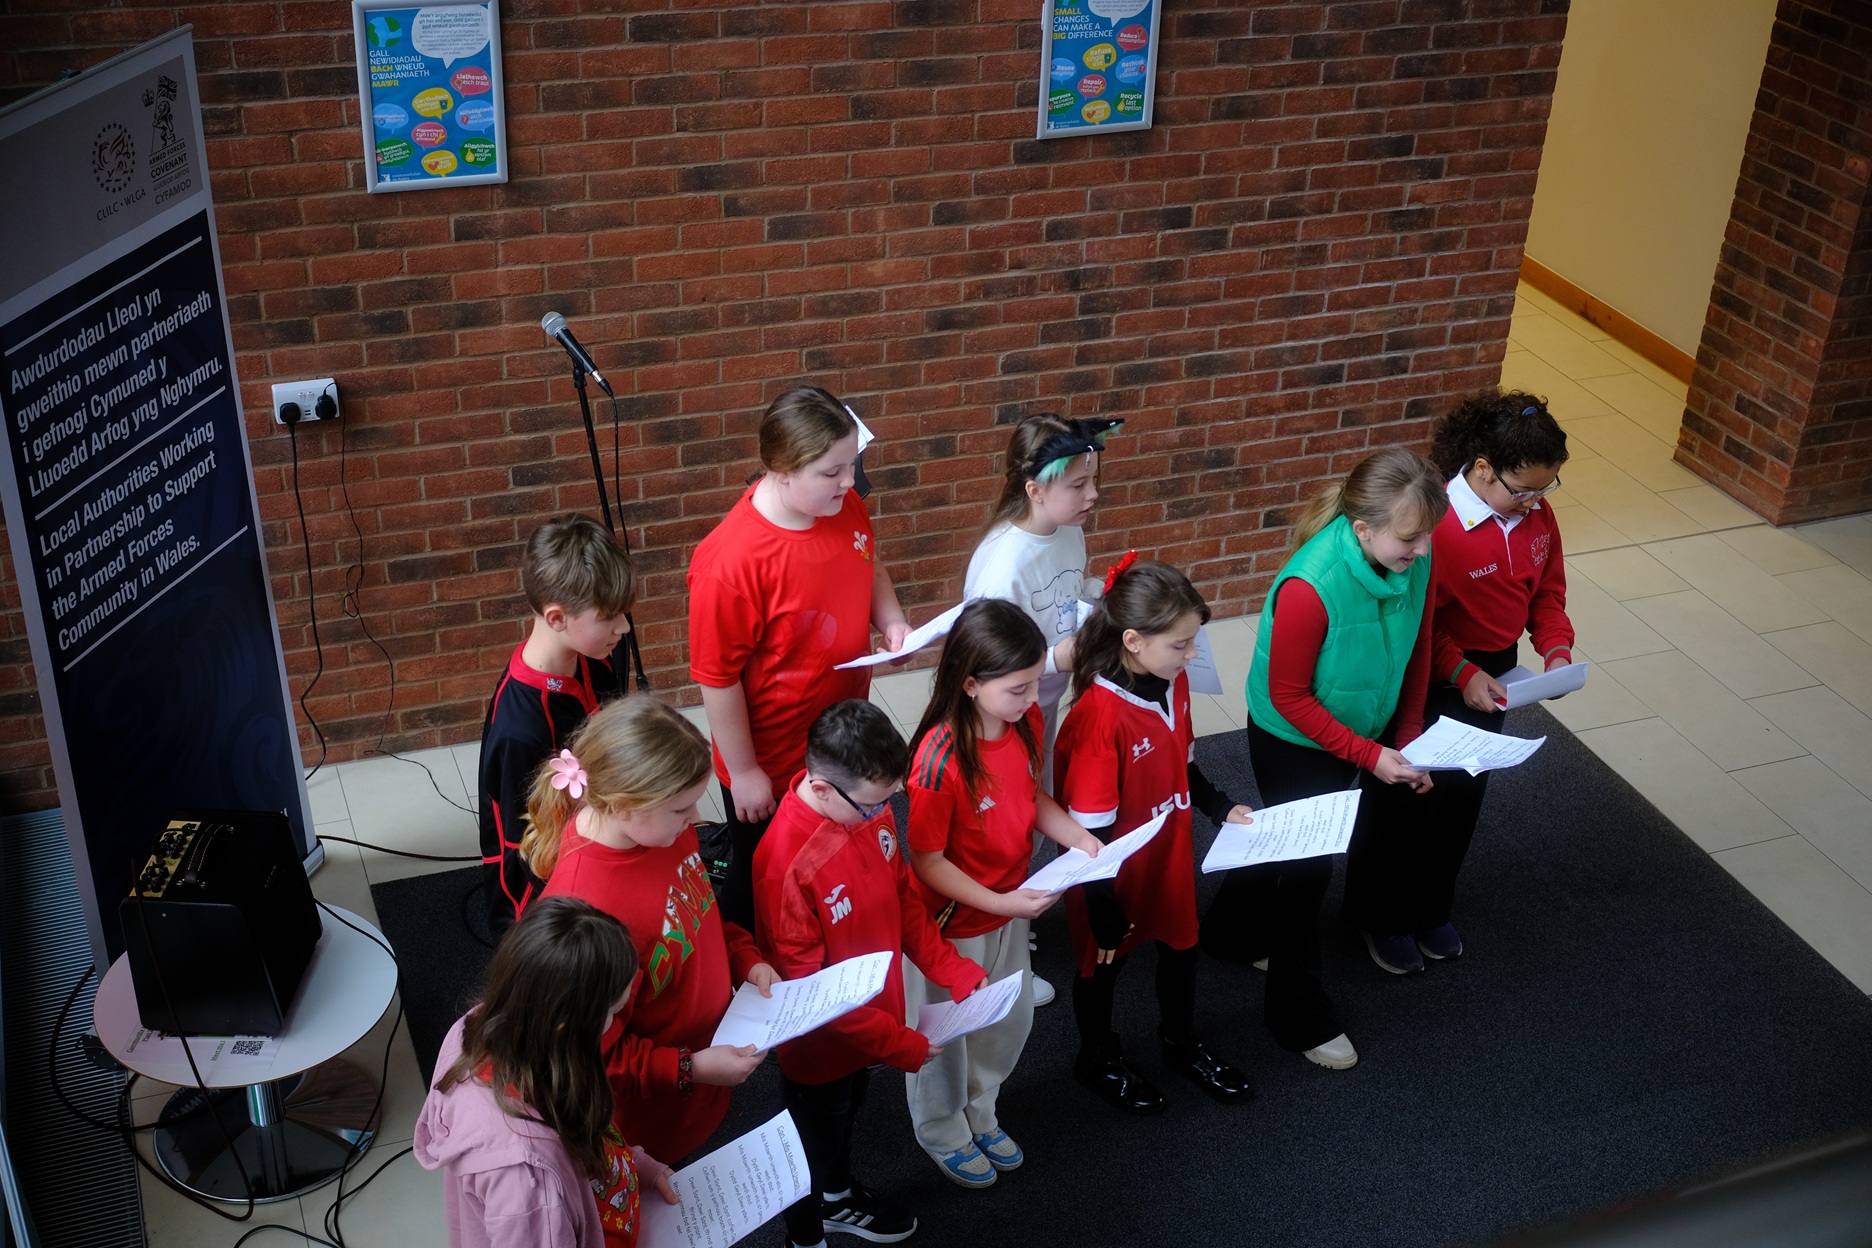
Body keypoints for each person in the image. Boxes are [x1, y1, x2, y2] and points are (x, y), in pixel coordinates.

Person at [1202, 446, 1447, 1069]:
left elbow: (1419, 644)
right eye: (1410, 539)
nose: (1422, 551)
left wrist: (1407, 734)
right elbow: (1288, 697)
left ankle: (1229, 933)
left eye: (1426, 537)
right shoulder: (1310, 587)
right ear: (1362, 529)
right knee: (1307, 869)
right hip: (1293, 736)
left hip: (1369, 723)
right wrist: (1371, 754)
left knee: (1292, 842)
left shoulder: (1416, 552)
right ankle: (1297, 1018)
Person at [754, 699, 986, 1247]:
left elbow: (903, 900)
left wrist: (951, 969)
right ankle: (805, 1236)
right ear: (821, 789)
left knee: (845, 1122)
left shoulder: (866, 809)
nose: (884, 812)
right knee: (810, 1150)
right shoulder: (784, 864)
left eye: (889, 798)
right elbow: (811, 994)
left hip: (873, 1022)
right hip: (821, 1047)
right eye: (874, 803)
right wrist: (898, 1044)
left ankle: (837, 1198)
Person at [689, 386, 912, 933]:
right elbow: (718, 679)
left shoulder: (842, 504)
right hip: (771, 757)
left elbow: (870, 565)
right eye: (832, 471)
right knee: (765, 878)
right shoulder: (729, 564)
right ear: (782, 470)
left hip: (837, 736)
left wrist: (892, 622)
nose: (849, 482)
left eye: (851, 465)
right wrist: (745, 772)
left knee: (830, 859)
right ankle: (743, 966)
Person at [519, 696, 777, 1165]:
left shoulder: (663, 830)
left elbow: (697, 910)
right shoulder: (587, 912)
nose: (696, 820)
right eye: (681, 809)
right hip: (652, 1123)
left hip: (701, 1079)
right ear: (622, 806)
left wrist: (745, 957)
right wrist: (691, 1067)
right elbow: (592, 1054)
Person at [901, 600, 1105, 1187]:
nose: (1032, 698)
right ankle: (942, 1128)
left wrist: (1077, 836)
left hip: (1010, 906)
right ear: (970, 684)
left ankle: (981, 1110)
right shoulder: (938, 762)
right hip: (951, 925)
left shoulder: (1023, 721)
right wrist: (1001, 904)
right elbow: (926, 862)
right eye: (1019, 688)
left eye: (1035, 683)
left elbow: (1031, 797)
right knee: (944, 1038)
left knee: (1005, 1022)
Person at [1055, 555, 1255, 1114]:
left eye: (1194, 642)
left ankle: (1180, 1042)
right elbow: (1089, 834)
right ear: (1134, 641)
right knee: (1103, 966)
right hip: (1109, 875)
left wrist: (1219, 806)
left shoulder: (1175, 680)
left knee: (1181, 949)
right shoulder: (1101, 718)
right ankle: (1097, 1056)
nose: (1192, 655)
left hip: (1168, 855)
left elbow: (1182, 763)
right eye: (1181, 645)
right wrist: (1102, 907)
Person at [1400, 390, 1574, 964]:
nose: (1534, 502)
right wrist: (1461, 670)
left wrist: (1555, 650)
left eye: (1545, 489)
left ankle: (1433, 907)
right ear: (1481, 469)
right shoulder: (1436, 526)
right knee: (1413, 798)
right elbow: (1418, 622)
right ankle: (1385, 917)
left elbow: (1546, 593)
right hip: (1431, 675)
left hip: (1495, 674)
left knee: (1464, 796)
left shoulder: (1537, 517)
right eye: (1522, 489)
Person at [414, 895, 678, 1248]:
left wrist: (635, 1165)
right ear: (567, 1024)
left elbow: (586, 1128)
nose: (614, 1021)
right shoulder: (527, 1185)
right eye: (612, 1012)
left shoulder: (494, 1030)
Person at [478, 514, 634, 938]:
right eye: (609, 616)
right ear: (557, 618)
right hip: (543, 913)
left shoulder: (595, 660)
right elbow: (529, 853)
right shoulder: (520, 730)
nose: (624, 627)